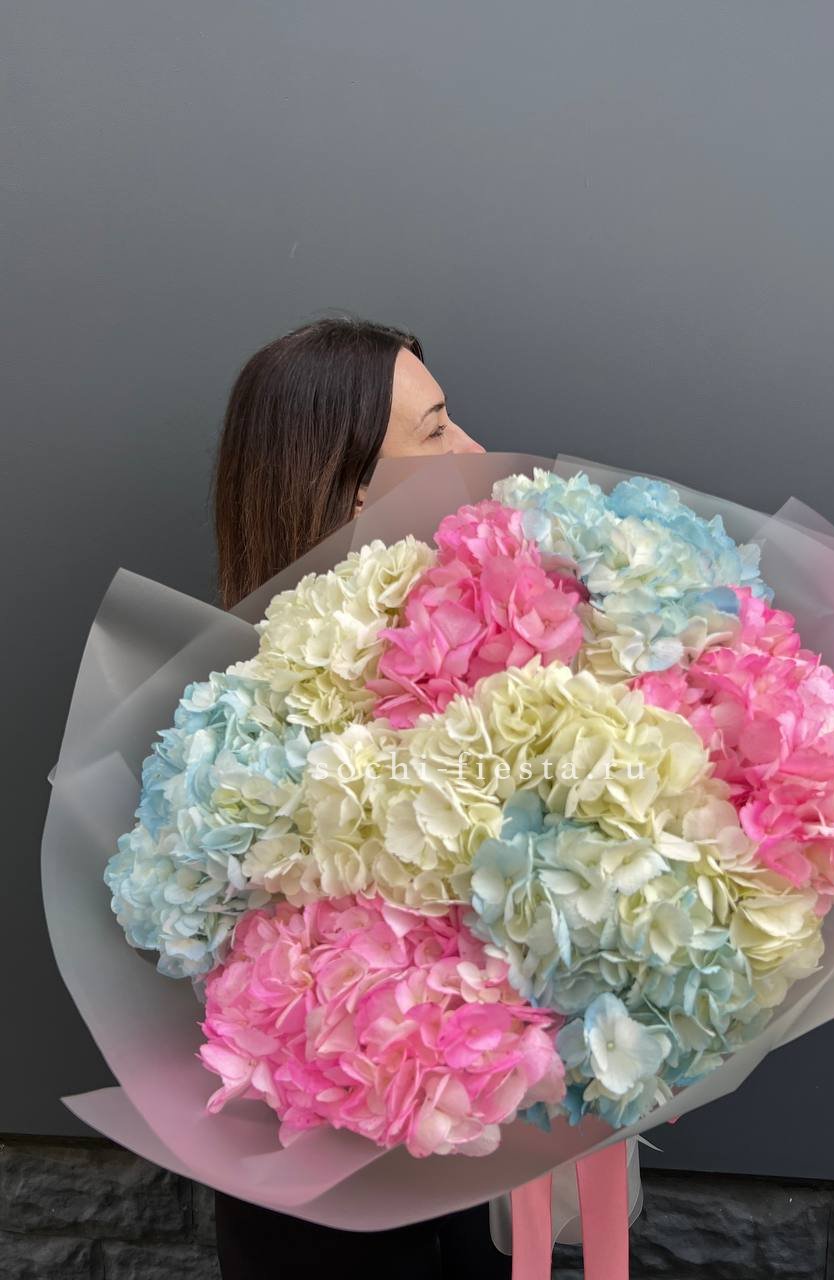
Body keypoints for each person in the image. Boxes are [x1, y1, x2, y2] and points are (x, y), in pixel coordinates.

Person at [209, 314, 505, 1279]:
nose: (475, 450)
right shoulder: (239, 728)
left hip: (472, 1151)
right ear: (353, 488)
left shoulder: (496, 652)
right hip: (321, 1177)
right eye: (437, 430)